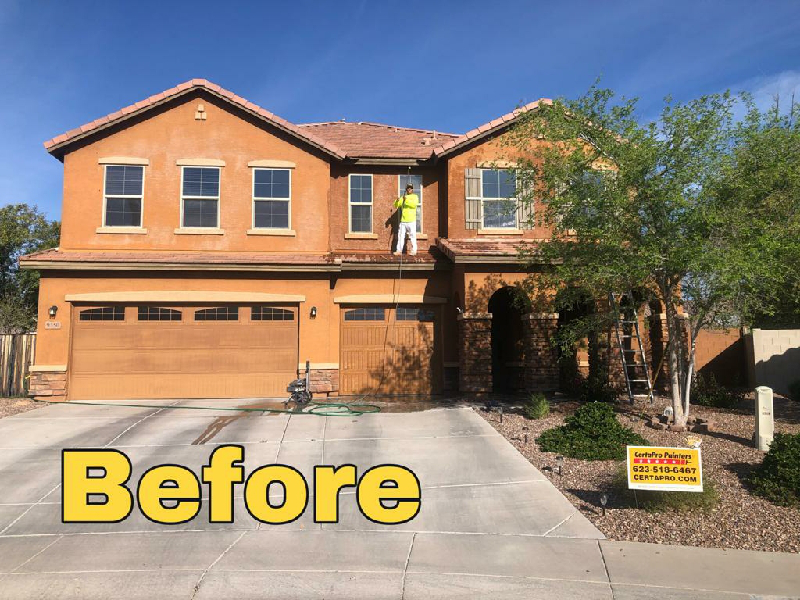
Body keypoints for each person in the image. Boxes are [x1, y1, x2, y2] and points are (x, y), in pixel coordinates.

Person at [393, 183, 419, 256]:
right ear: (406, 189)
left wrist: (406, 200)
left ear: (412, 189)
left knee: (412, 236)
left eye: (410, 188)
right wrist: (397, 201)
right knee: (400, 236)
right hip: (403, 221)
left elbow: (414, 205)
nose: (409, 189)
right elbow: (396, 206)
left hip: (411, 220)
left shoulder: (415, 197)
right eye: (408, 188)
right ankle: (399, 251)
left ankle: (414, 251)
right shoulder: (403, 197)